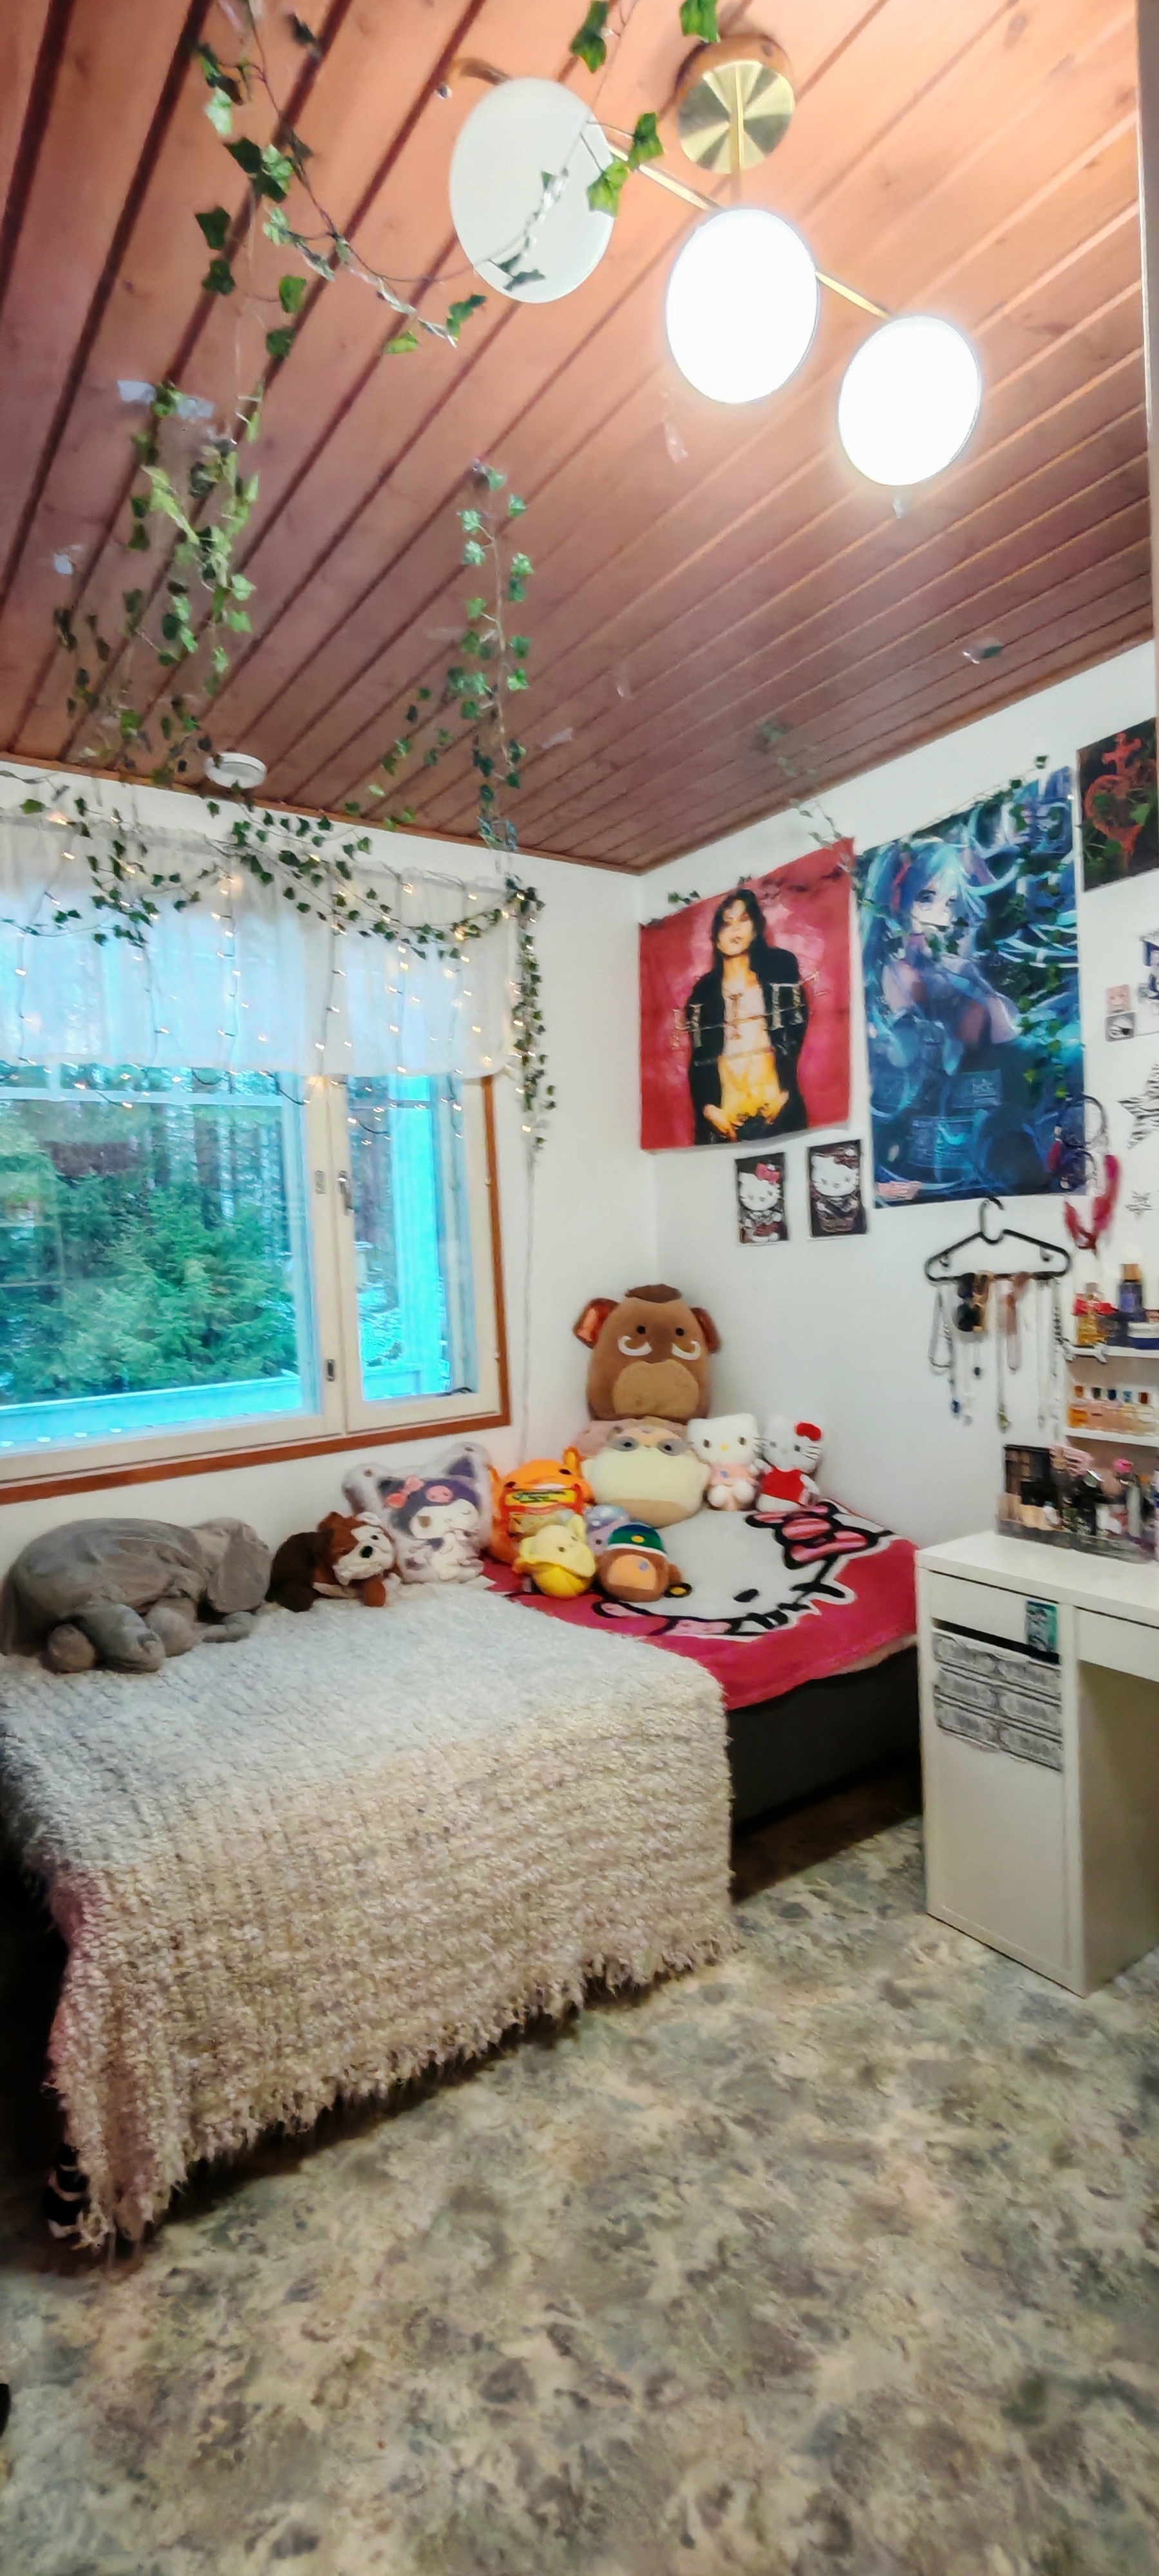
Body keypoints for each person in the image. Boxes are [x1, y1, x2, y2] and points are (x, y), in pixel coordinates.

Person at [683, 888, 809, 1144]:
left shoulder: (780, 973)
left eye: (743, 920)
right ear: (716, 937)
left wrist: (785, 1094)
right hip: (727, 1117)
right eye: (726, 923)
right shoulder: (703, 993)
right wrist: (709, 1109)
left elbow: (797, 1033)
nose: (735, 930)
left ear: (755, 929)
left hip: (775, 1108)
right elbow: (700, 1058)